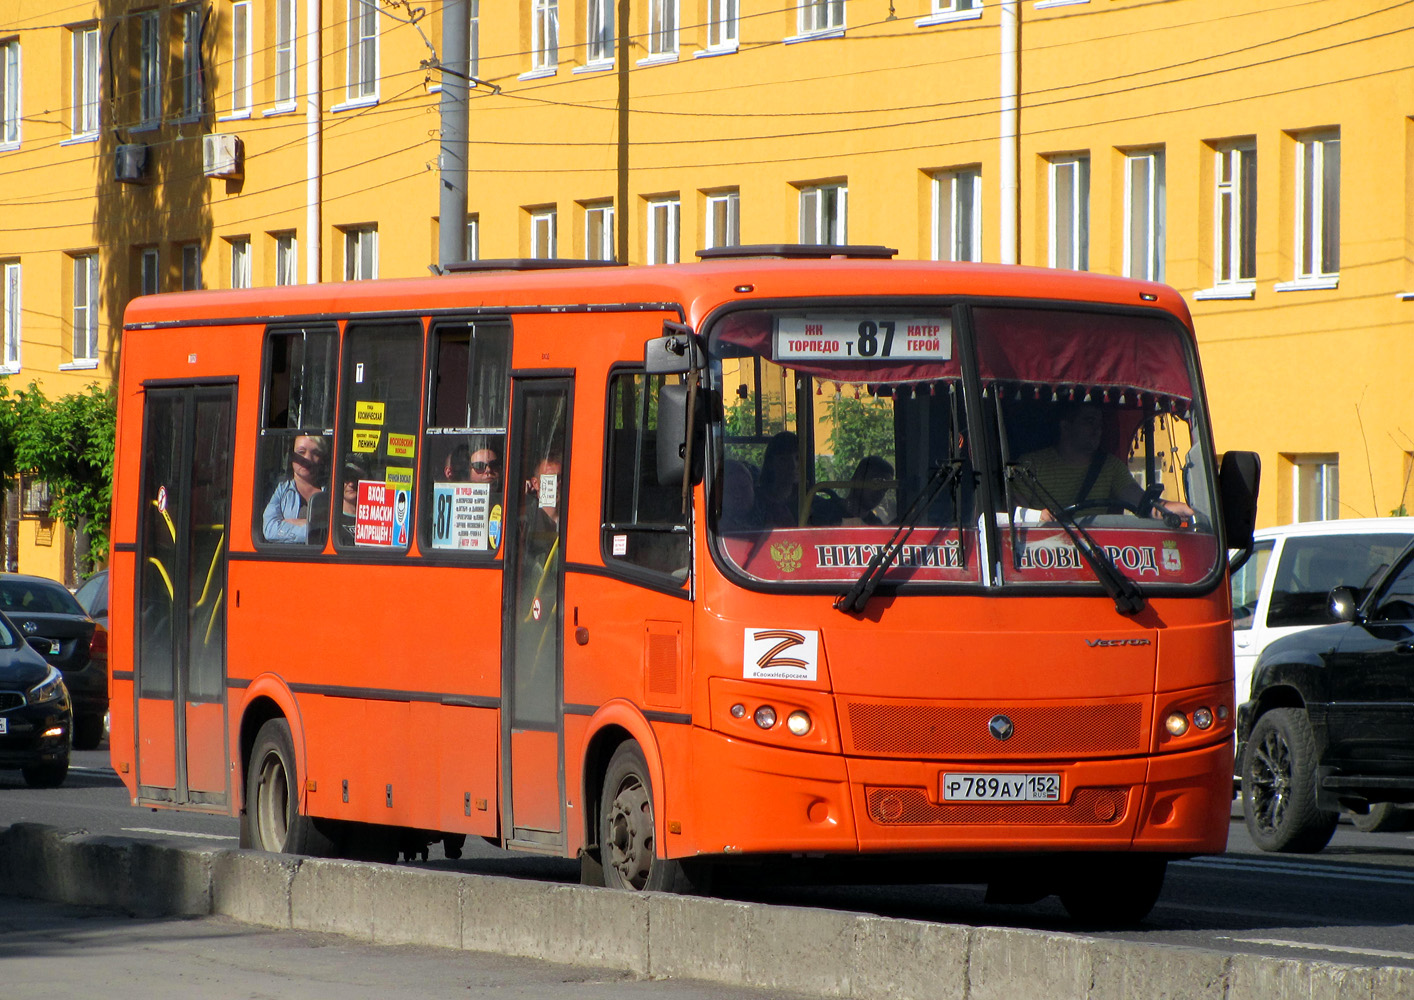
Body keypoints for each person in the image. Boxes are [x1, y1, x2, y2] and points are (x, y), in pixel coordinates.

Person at [1016, 403, 1192, 521]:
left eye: (1100, 423)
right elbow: (1014, 515)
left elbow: (1141, 502)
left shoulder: (1110, 467)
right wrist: (1039, 517)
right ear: (1065, 426)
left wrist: (1172, 509)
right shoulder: (1031, 465)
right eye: (1089, 422)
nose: (1098, 429)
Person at [262, 434, 328, 543]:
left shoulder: (332, 490)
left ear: (322, 458)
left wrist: (292, 523)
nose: (307, 458)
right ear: (291, 456)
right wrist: (313, 529)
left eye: (315, 453)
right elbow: (270, 530)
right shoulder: (279, 489)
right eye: (301, 452)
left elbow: (336, 530)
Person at [753, 431, 800, 528]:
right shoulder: (757, 501)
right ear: (770, 464)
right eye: (784, 459)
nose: (793, 465)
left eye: (797, 458)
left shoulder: (808, 499)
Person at [841, 456, 894, 526]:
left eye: (885, 487)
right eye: (876, 483)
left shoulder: (876, 526)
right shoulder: (827, 512)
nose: (880, 491)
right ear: (857, 479)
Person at [336, 457, 367, 545]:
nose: (351, 484)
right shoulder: (331, 517)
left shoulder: (372, 517)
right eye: (346, 479)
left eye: (355, 478)